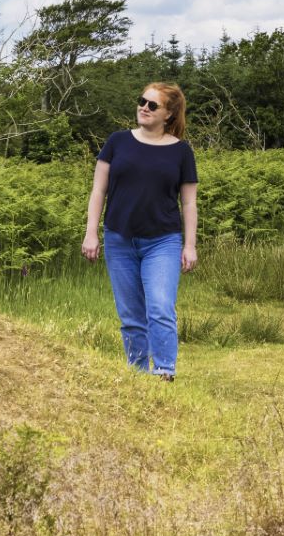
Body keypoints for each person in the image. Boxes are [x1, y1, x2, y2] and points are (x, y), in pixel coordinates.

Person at [82, 82, 198, 381]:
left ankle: (163, 372)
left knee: (159, 307)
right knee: (132, 315)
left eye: (152, 105)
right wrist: (91, 233)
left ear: (169, 114)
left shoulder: (181, 152)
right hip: (119, 239)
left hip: (163, 241)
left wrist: (190, 245)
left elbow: (188, 202)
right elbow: (98, 190)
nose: (144, 108)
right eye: (142, 102)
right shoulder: (117, 142)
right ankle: (136, 375)